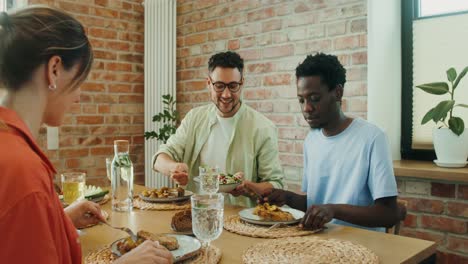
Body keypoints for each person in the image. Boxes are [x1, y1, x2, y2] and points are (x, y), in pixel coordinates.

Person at [0, 6, 172, 264]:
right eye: (79, 80)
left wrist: (59, 219)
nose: (79, 97)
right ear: (55, 69)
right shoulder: (21, 169)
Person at [263, 53, 399, 232]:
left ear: (337, 92)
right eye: (301, 100)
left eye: (314, 98)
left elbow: (388, 214)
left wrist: (333, 210)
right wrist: (287, 197)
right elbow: (315, 203)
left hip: (361, 247)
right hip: (319, 243)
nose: (307, 108)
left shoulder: (372, 137)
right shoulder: (312, 140)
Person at [153, 51, 283, 206]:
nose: (227, 94)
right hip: (195, 213)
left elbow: (276, 185)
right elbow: (159, 159)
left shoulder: (263, 127)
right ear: (209, 83)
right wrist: (174, 168)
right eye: (219, 86)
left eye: (233, 86)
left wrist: (250, 187)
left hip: (240, 221)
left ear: (242, 83)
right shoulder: (194, 118)